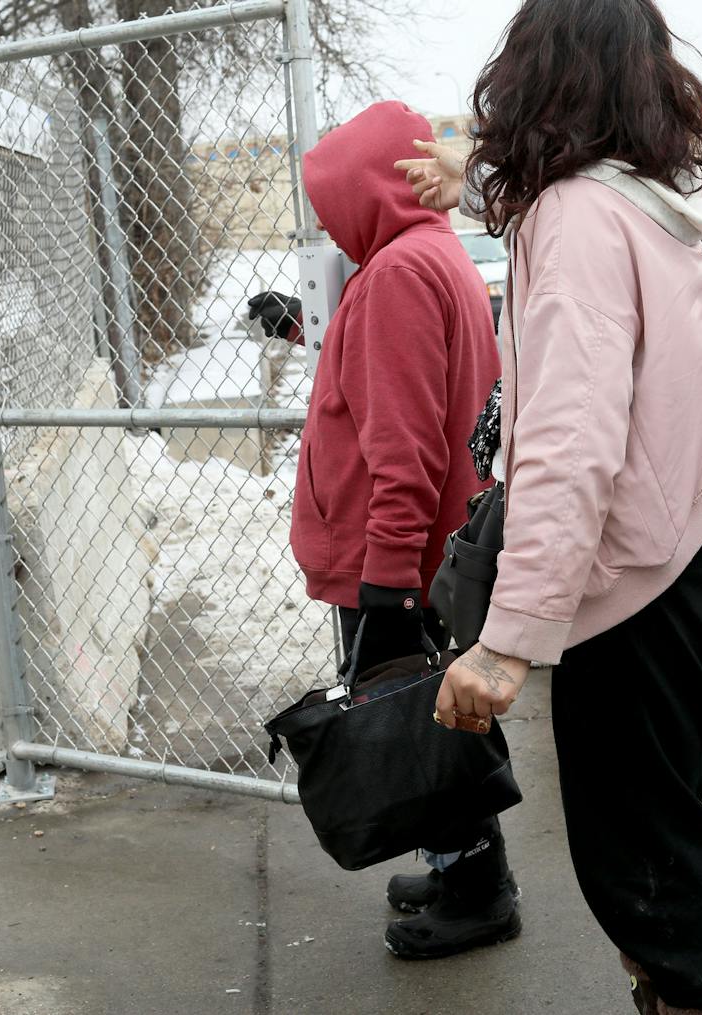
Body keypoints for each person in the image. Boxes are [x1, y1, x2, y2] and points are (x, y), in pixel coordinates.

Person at [395, 1, 702, 1011]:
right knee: (658, 833)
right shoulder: (666, 200)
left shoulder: (576, 220)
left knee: (647, 873)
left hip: (631, 594)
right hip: (697, 562)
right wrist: (468, 178)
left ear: (535, 80)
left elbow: (569, 446)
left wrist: (508, 640)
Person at [251, 100, 518, 960]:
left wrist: (388, 581)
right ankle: (460, 867)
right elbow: (383, 377)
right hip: (426, 551)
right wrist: (303, 323)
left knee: (417, 724)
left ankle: (477, 889)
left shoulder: (400, 276)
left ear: (371, 192)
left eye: (333, 205)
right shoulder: (429, 254)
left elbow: (401, 449)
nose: (330, 224)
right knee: (432, 716)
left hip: (396, 557)